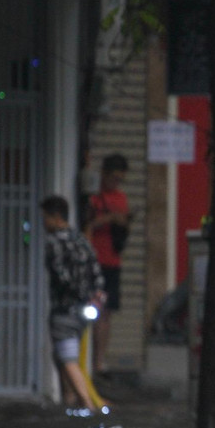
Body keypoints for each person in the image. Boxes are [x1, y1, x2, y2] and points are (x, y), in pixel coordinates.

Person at [42, 195, 107, 416]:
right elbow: (96, 270)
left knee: (67, 357)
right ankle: (70, 402)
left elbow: (61, 277)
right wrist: (94, 295)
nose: (43, 223)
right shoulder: (81, 239)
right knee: (63, 355)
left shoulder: (54, 242)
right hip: (84, 311)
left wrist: (79, 295)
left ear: (55, 216)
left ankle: (86, 405)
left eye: (45, 217)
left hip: (65, 309)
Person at [83, 153, 129, 377]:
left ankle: (99, 361)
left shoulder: (121, 198)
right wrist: (109, 218)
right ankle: (86, 359)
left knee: (107, 314)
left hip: (113, 261)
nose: (116, 183)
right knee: (91, 310)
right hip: (95, 261)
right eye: (113, 178)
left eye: (120, 179)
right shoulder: (94, 197)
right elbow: (87, 225)